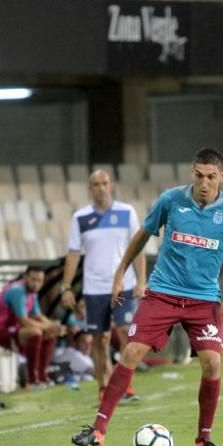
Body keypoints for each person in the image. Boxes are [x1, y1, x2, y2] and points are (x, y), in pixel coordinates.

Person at [71, 147, 223, 446]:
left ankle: (203, 439)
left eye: (211, 177)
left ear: (221, 176)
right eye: (199, 175)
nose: (204, 183)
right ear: (191, 173)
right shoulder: (171, 200)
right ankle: (98, 429)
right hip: (163, 292)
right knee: (131, 352)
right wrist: (120, 274)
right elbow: (142, 235)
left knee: (212, 362)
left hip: (204, 299)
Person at [60, 169, 147, 403]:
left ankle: (126, 386)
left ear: (112, 186)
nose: (100, 187)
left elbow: (138, 247)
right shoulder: (81, 217)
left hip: (123, 285)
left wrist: (141, 280)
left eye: (104, 183)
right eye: (95, 184)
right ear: (90, 189)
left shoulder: (126, 212)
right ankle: (103, 386)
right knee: (100, 339)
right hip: (94, 288)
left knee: (125, 333)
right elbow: (73, 254)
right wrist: (66, 287)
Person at [0, 265, 64, 389]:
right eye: (33, 279)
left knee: (50, 333)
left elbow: (38, 316)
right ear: (25, 277)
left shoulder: (32, 293)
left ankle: (42, 376)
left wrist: (54, 326)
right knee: (34, 332)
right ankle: (32, 380)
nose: (36, 284)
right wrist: (48, 327)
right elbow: (23, 321)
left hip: (10, 331)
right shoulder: (17, 290)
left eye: (39, 281)